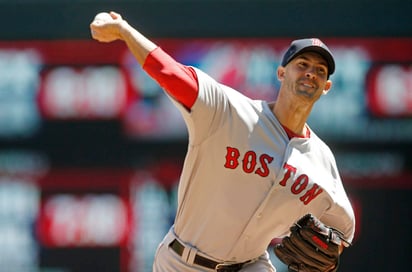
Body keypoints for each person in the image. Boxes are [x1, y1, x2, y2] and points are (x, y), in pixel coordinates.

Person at [90, 11, 355, 272]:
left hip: (251, 265)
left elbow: (341, 231)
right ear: (281, 73)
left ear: (326, 87)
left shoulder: (321, 158)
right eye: (302, 64)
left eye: (320, 70)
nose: (311, 73)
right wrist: (125, 31)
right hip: (184, 263)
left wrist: (330, 259)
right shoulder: (230, 111)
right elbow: (170, 73)